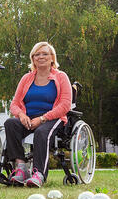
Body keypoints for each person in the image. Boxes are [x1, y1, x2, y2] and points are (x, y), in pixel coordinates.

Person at [4, 42, 72, 187]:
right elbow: (14, 104)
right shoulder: (26, 78)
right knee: (10, 124)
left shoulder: (61, 77)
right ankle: (21, 168)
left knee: (41, 132)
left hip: (52, 118)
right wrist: (21, 115)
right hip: (28, 117)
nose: (41, 57)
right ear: (33, 59)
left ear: (52, 58)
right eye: (37, 54)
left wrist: (43, 118)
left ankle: (39, 173)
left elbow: (65, 105)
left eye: (45, 54)